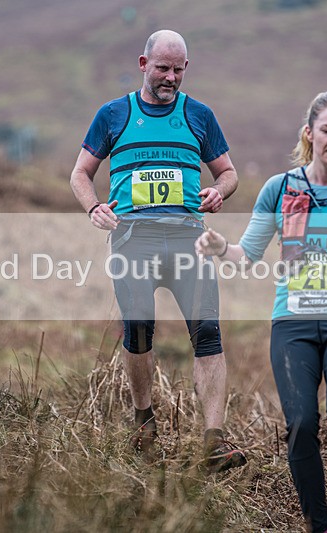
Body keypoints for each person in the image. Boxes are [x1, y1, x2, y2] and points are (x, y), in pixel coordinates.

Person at [196, 92, 327, 533]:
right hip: (292, 325)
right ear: (309, 133)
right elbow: (247, 254)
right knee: (300, 422)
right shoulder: (280, 188)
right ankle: (318, 525)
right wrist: (220, 248)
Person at [70, 30, 246, 472]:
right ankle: (144, 425)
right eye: (163, 68)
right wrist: (94, 207)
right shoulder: (113, 115)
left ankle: (214, 442)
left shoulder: (200, 116)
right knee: (140, 332)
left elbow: (229, 173)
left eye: (178, 70)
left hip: (189, 238)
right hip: (133, 239)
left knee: (208, 335)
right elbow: (79, 173)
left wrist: (218, 192)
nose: (170, 77)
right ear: (143, 63)